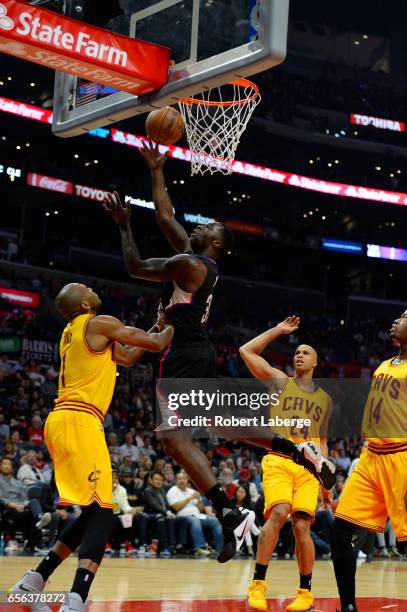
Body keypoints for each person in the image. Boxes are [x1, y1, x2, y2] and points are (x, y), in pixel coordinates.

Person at [102, 150, 334, 563]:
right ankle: (291, 458)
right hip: (189, 351)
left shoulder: (192, 266)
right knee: (218, 426)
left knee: (175, 440)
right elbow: (165, 216)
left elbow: (135, 265)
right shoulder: (195, 263)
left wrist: (123, 225)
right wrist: (157, 171)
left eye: (207, 225)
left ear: (213, 242)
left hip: (183, 355)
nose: (198, 224)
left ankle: (232, 509)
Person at [10, 282, 173, 612]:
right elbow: (155, 344)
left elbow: (126, 357)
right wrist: (173, 322)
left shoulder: (74, 333)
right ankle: (76, 600)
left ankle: (32, 582)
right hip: (79, 420)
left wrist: (156, 327)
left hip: (63, 421)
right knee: (104, 511)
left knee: (93, 511)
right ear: (84, 302)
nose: (91, 287)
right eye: (85, 287)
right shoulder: (98, 322)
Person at [240, 316, 335, 612]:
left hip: (308, 469)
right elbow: (247, 351)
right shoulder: (280, 381)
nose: (299, 355)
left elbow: (321, 441)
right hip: (279, 460)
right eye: (296, 352)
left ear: (316, 362)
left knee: (302, 526)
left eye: (306, 352)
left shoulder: (324, 399)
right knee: (279, 512)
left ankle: (305, 592)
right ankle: (257, 584)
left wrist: (326, 481)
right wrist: (278, 331)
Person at [330, 310, 407, 612]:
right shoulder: (385, 365)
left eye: (403, 317)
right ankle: (348, 606)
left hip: (401, 458)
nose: (394, 321)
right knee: (339, 532)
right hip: (371, 458)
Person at [167, 470, 223, 556]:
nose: (182, 480)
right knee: (195, 520)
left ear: (187, 480)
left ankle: (221, 549)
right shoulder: (172, 490)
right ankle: (200, 548)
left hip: (198, 515)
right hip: (182, 516)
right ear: (176, 480)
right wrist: (190, 498)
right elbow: (176, 507)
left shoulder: (192, 491)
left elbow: (200, 509)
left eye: (184, 479)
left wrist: (198, 500)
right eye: (179, 479)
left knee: (215, 521)